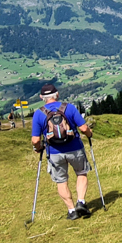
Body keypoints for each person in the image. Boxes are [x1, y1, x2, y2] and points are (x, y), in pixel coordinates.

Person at [30, 84, 93, 220]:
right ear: (57, 94)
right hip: (75, 148)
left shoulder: (39, 113)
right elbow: (83, 128)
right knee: (81, 173)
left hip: (54, 153)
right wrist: (89, 134)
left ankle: (71, 210)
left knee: (61, 181)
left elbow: (35, 140)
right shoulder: (69, 108)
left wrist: (38, 148)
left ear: (42, 97)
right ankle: (81, 202)